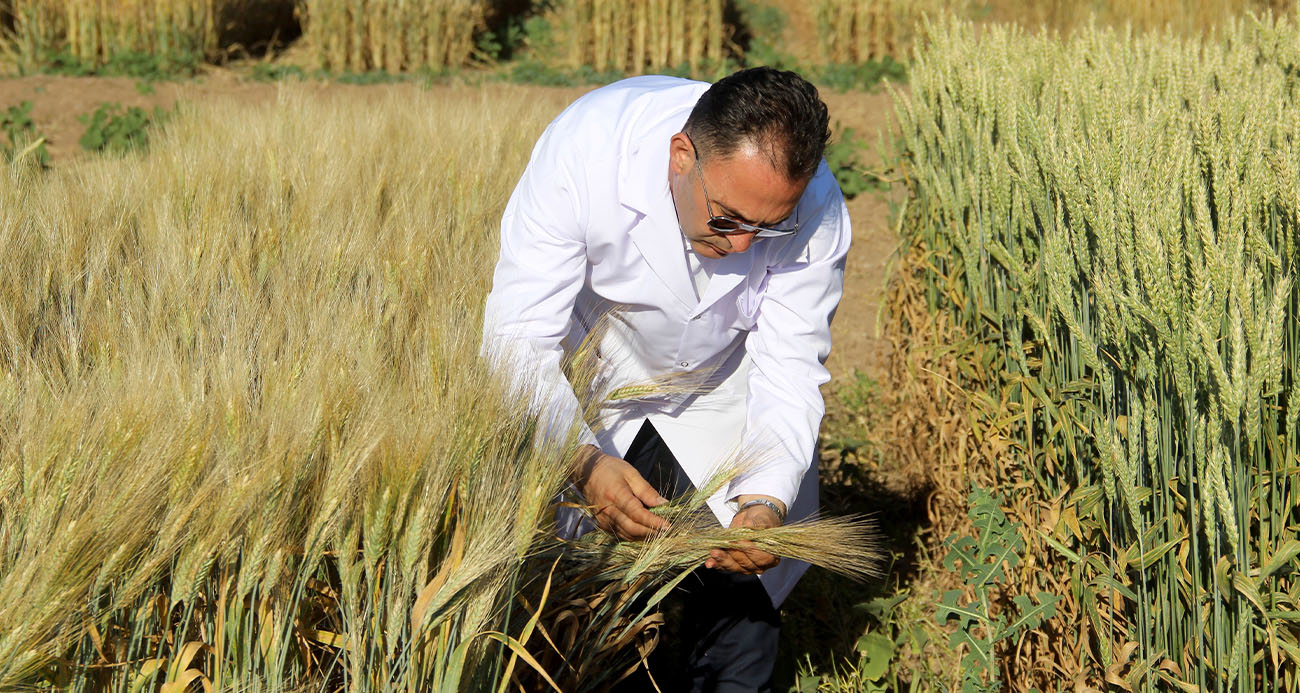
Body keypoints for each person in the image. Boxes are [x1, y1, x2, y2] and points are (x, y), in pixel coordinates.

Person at [482, 66, 850, 691]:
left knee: (741, 601)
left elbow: (790, 367)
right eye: (728, 217)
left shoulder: (813, 205)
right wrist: (582, 460)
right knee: (589, 607)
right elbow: (517, 338)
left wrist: (765, 502)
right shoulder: (585, 149)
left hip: (727, 384)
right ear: (682, 155)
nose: (741, 247)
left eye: (768, 228)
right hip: (597, 370)